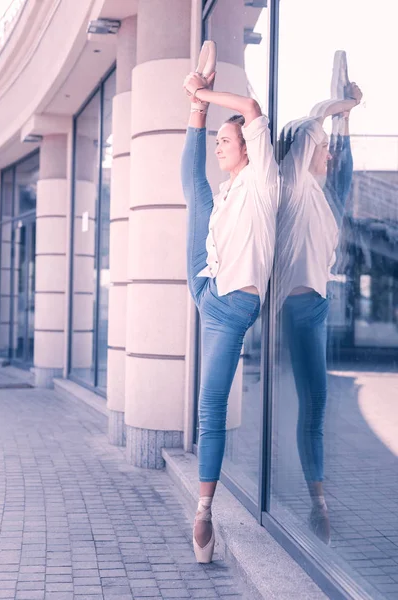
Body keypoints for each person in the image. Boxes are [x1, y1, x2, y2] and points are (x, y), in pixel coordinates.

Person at [181, 41, 278, 563]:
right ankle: (193, 108)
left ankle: (203, 513)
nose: (221, 146)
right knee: (194, 189)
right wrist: (201, 103)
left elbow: (251, 110)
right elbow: (201, 183)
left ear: (246, 146)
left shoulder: (263, 181)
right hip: (205, 288)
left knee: (209, 407)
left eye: (224, 139)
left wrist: (209, 92)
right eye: (215, 139)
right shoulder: (226, 195)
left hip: (232, 308)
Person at [275, 80, 362, 545]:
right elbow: (312, 121)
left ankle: (317, 502)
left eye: (330, 149)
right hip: (293, 308)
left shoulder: (327, 201)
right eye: (322, 148)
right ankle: (311, 502)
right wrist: (339, 105)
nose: (327, 155)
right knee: (306, 405)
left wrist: (346, 121)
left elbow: (343, 168)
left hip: (317, 309)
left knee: (316, 407)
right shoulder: (290, 183)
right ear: (303, 150)